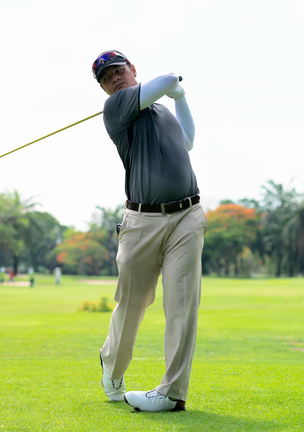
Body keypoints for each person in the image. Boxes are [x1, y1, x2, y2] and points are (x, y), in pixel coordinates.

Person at [92, 50, 206, 413]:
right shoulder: (117, 108)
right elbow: (169, 79)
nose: (115, 79)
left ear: (132, 70)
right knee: (133, 304)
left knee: (182, 306)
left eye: (119, 71)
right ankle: (112, 367)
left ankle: (172, 393)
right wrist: (175, 86)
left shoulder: (160, 110)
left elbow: (187, 140)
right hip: (142, 222)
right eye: (107, 78)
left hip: (187, 216)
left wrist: (181, 99)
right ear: (105, 89)